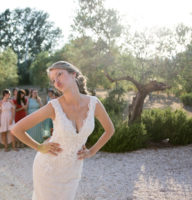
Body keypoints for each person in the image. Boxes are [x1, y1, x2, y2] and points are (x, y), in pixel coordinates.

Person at [11, 61, 115, 200]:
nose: (56, 81)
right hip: (48, 168)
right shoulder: (54, 106)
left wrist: (91, 151)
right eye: (53, 80)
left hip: (73, 169)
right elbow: (17, 129)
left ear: (73, 74)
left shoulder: (94, 103)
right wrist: (39, 147)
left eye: (59, 74)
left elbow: (110, 130)